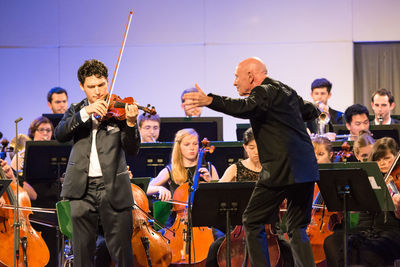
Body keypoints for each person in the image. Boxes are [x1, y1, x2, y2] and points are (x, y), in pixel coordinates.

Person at [183, 57, 320, 267]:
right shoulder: (286, 90)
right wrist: (318, 110)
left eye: (237, 77)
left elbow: (244, 107)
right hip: (306, 168)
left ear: (251, 76)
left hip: (281, 168)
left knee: (252, 220)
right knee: (296, 227)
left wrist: (211, 100)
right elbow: (308, 110)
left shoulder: (262, 91)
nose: (235, 82)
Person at [55, 59, 140, 267]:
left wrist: (130, 123)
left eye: (101, 85)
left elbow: (132, 149)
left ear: (107, 82)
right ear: (82, 87)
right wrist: (86, 112)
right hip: (80, 190)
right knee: (82, 254)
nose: (98, 92)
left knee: (122, 253)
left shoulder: (118, 111)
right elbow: (60, 134)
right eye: (91, 87)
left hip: (113, 187)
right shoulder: (76, 110)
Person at [323, 137, 400, 266]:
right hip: (364, 230)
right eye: (378, 159)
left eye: (387, 158)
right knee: (332, 242)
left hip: (391, 231)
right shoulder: (365, 178)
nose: (382, 163)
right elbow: (357, 214)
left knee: (367, 251)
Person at [147, 128, 218, 201]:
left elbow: (219, 194)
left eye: (195, 144)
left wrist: (210, 182)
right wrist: (159, 188)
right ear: (179, 147)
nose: (192, 148)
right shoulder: (171, 170)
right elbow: (147, 188)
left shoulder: (210, 168)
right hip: (178, 211)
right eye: (187, 144)